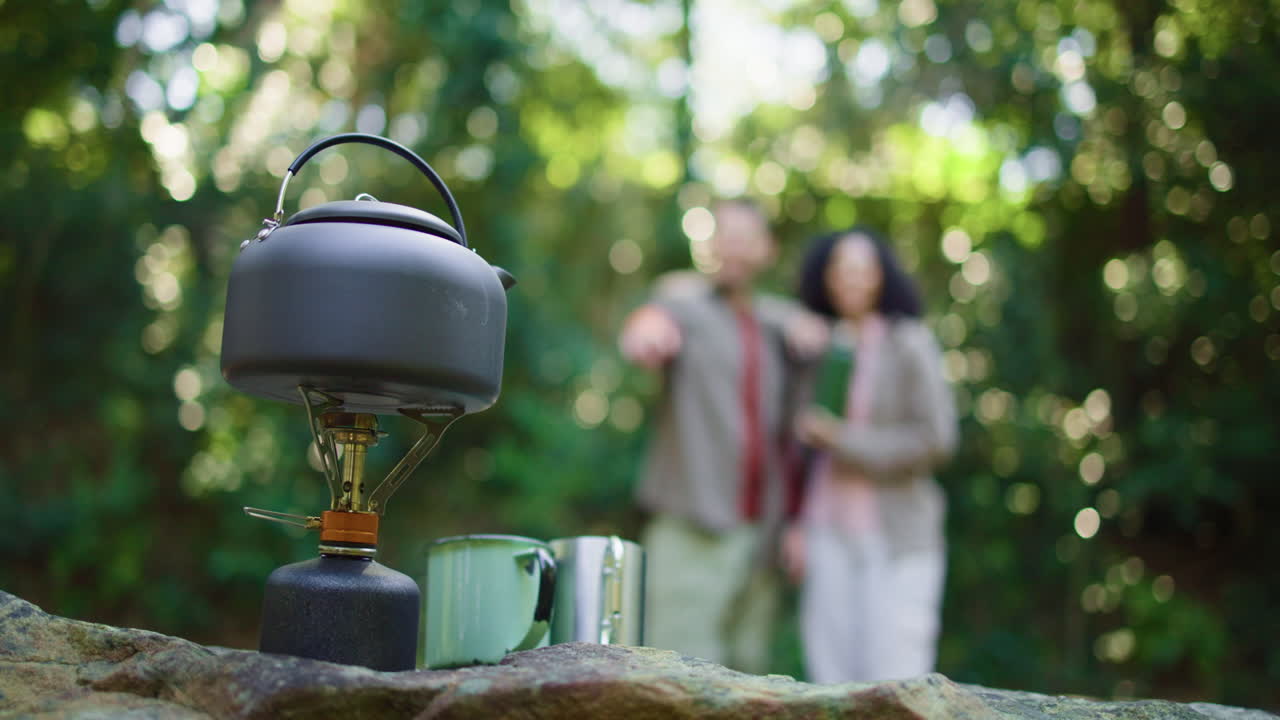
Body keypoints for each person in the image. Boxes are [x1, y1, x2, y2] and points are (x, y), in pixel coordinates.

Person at [619, 198, 825, 673]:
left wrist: (795, 521)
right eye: (722, 237)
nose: (731, 248)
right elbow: (651, 321)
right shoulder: (683, 303)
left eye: (743, 238)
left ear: (767, 249)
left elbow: (800, 430)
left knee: (749, 677)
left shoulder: (779, 323)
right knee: (677, 676)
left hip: (762, 536)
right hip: (694, 525)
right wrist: (645, 331)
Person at [783, 226, 957, 684]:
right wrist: (796, 524)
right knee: (830, 682)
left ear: (882, 275)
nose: (849, 279)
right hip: (827, 535)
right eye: (839, 268)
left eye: (862, 268)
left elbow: (937, 438)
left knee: (894, 682)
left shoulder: (909, 342)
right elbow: (800, 452)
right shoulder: (818, 342)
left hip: (897, 539)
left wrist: (843, 439)